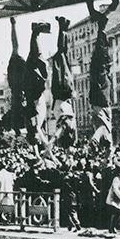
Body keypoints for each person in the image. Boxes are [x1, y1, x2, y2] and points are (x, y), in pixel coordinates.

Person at [88, 0, 119, 153]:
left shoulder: (105, 132)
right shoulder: (106, 135)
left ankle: (97, 8)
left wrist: (95, 139)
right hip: (96, 95)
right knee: (100, 51)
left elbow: (101, 129)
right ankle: (93, 7)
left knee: (101, 51)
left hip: (102, 95)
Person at [23, 22, 55, 161]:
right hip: (33, 90)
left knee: (39, 61)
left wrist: (47, 155)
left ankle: (35, 32)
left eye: (36, 138)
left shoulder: (33, 125)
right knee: (34, 59)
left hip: (34, 91)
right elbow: (43, 142)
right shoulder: (33, 127)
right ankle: (35, 32)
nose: (39, 137)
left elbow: (43, 141)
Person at [51, 16, 77, 148]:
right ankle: (63, 26)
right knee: (60, 55)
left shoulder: (70, 125)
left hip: (65, 93)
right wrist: (50, 144)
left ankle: (64, 27)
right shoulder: (66, 125)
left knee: (62, 55)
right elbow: (57, 134)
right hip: (61, 92)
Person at [7, 17, 26, 135]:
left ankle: (13, 24)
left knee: (15, 47)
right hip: (17, 84)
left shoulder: (17, 102)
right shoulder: (16, 102)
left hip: (17, 83)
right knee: (15, 47)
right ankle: (13, 24)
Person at [106, 168, 120, 233]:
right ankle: (111, 227)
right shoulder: (116, 179)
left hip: (119, 199)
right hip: (113, 198)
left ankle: (114, 226)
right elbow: (115, 189)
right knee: (114, 212)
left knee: (118, 213)